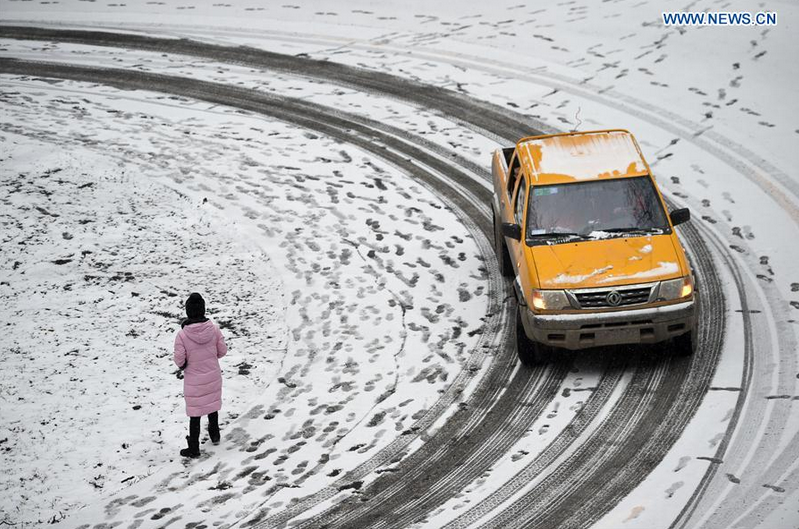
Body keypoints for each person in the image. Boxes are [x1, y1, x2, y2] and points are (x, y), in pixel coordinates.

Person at [173, 292, 227, 458]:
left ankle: (194, 447)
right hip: (212, 376)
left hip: (194, 380)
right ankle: (215, 435)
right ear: (203, 310)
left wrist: (185, 365)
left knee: (195, 413)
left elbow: (179, 360)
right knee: (212, 405)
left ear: (188, 311)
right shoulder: (214, 329)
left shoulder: (182, 335)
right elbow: (222, 351)